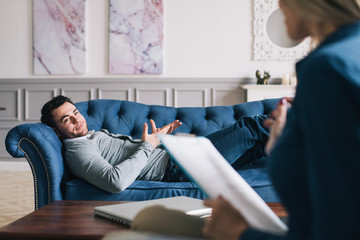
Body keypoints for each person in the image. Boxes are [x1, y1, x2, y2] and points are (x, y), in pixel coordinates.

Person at [202, 0, 360, 239]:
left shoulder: (328, 67)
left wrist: (239, 233)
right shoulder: (348, 54)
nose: (279, 3)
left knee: (251, 126)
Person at [40, 95, 270, 193]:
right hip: (179, 167)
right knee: (252, 126)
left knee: (258, 143)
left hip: (177, 156)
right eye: (66, 120)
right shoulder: (78, 149)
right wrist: (148, 146)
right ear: (56, 131)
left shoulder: (88, 137)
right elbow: (115, 182)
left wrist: (157, 141)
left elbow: (132, 155)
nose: (76, 119)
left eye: (75, 112)